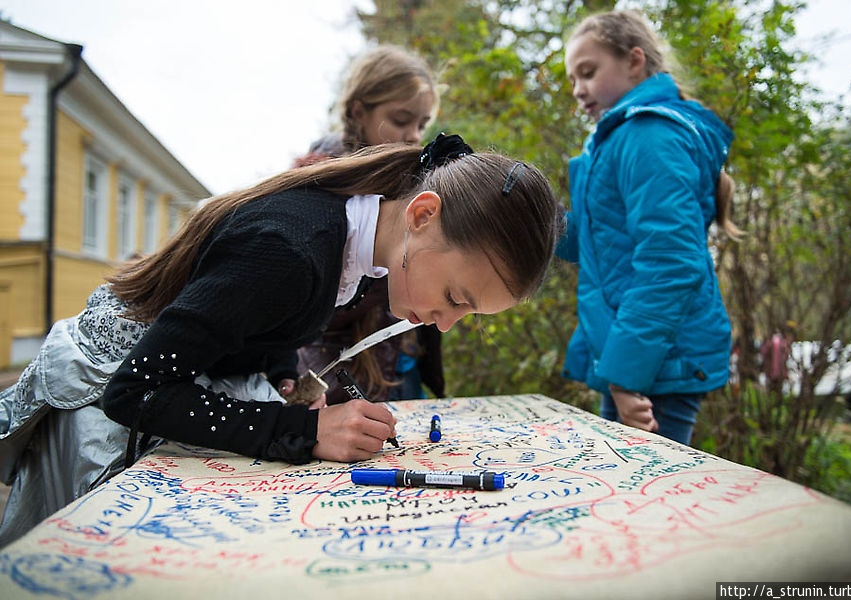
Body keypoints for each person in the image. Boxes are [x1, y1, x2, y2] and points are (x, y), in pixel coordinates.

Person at [0, 133, 561, 545]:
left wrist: (287, 380)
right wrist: (304, 430)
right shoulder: (292, 249)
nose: (443, 323)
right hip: (97, 419)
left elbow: (248, 324)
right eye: (458, 298)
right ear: (422, 213)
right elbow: (136, 392)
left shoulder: (348, 239)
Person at [558, 10, 741, 444]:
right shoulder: (618, 138)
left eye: (588, 72)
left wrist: (625, 379)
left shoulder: (649, 136)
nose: (578, 89)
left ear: (634, 61)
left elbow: (670, 263)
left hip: (655, 364)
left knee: (653, 502)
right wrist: (520, 218)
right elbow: (597, 245)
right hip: (635, 360)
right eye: (572, 79)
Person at [290, 46, 445, 405]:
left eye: (421, 125)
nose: (412, 135)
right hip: (332, 368)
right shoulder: (320, 182)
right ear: (359, 110)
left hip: (402, 361)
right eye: (401, 120)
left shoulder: (413, 180)